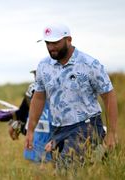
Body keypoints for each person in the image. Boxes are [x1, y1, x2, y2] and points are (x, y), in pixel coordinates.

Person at [25, 23, 118, 168]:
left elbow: (109, 96)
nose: (51, 47)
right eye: (47, 43)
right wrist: (30, 130)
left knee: (65, 169)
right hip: (58, 129)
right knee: (71, 172)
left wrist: (111, 133)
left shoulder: (89, 64)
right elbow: (39, 97)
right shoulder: (44, 66)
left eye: (55, 43)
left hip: (87, 126)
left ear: (69, 39)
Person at [8, 70, 52, 163]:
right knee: (37, 164)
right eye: (35, 75)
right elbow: (23, 110)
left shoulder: (60, 89)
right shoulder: (32, 89)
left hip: (54, 134)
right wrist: (15, 124)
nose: (36, 77)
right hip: (37, 134)